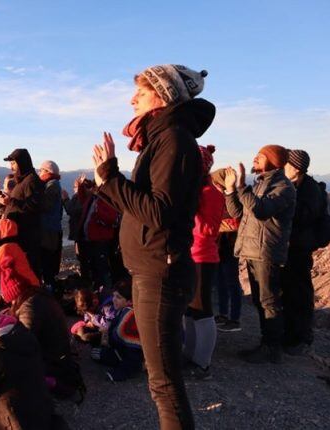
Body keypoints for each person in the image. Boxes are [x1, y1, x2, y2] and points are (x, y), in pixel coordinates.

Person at [92, 64, 214, 429]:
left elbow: (158, 212)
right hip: (153, 267)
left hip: (160, 271)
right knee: (161, 376)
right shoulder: (162, 139)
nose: (132, 100)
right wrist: (107, 182)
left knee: (163, 381)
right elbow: (140, 208)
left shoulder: (173, 140)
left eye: (140, 94)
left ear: (161, 97)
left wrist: (110, 177)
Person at [0, 219, 79, 399]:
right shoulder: (15, 249)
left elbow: (25, 341)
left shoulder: (30, 305)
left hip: (51, 362)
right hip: (53, 354)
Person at [224, 144, 296, 364]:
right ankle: (267, 344)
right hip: (253, 250)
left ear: (273, 161)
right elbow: (237, 212)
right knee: (260, 299)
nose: (255, 159)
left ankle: (272, 348)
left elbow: (261, 210)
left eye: (260, 156)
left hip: (267, 252)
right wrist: (230, 190)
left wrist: (242, 185)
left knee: (268, 300)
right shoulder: (261, 184)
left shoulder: (283, 187)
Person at [281, 149, 330, 355]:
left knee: (299, 292)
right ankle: (290, 334)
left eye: (286, 164)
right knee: (289, 291)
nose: (282, 167)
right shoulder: (299, 186)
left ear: (296, 168)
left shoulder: (309, 190)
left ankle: (301, 337)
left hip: (299, 249)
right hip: (292, 248)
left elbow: (301, 217)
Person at [182, 145, 224, 379]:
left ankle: (203, 363)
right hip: (190, 255)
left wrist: (191, 211)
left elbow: (208, 230)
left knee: (201, 309)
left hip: (202, 257)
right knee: (189, 307)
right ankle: (189, 354)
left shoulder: (210, 194)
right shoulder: (197, 191)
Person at [0, 149, 45, 277]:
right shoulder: (23, 180)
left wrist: (10, 202)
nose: (11, 167)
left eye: (13, 163)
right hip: (19, 235)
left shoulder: (31, 181)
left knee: (29, 270)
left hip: (27, 236)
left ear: (22, 163)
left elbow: (34, 206)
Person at [210, 169, 243, 333]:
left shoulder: (232, 200)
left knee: (231, 281)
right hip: (220, 245)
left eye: (215, 183)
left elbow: (235, 222)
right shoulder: (220, 199)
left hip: (229, 245)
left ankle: (235, 318)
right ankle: (223, 314)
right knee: (221, 280)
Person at [90, 282, 143, 382]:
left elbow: (135, 350)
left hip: (132, 355)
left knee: (97, 354)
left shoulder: (131, 315)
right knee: (96, 351)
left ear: (129, 301)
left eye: (118, 297)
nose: (114, 299)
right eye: (113, 296)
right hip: (122, 350)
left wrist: (120, 372)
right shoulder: (122, 311)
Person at [38, 160, 64, 291]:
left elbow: (45, 206)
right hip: (51, 229)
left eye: (41, 170)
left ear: (48, 172)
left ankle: (50, 291)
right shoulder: (53, 184)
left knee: (47, 261)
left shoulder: (52, 185)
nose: (39, 173)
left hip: (49, 231)